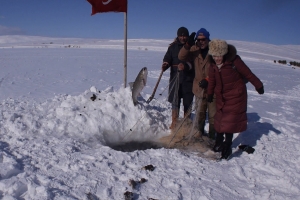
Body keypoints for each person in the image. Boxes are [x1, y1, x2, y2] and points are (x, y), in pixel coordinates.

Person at [206, 39, 264, 159]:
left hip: (236, 95)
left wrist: (258, 85)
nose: (217, 58)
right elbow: (212, 81)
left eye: (220, 55)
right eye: (215, 55)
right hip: (221, 96)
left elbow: (248, 74)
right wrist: (210, 93)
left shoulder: (234, 61)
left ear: (225, 53)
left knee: (229, 121)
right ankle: (218, 141)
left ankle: (227, 144)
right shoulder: (212, 65)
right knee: (220, 118)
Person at [178, 28, 216, 139]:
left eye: (203, 39)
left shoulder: (214, 51)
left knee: (213, 115)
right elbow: (181, 56)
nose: (201, 42)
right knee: (200, 114)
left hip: (212, 89)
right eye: (198, 40)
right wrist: (187, 44)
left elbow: (218, 68)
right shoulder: (194, 49)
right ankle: (199, 135)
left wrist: (208, 79)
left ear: (208, 39)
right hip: (199, 88)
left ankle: (212, 138)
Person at [162, 27, 194, 129]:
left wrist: (186, 66)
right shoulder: (172, 47)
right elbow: (167, 58)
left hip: (188, 79)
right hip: (175, 78)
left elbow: (194, 62)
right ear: (178, 36)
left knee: (187, 102)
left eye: (185, 36)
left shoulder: (192, 47)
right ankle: (174, 122)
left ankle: (186, 123)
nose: (183, 38)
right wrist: (166, 64)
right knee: (175, 101)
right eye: (181, 35)